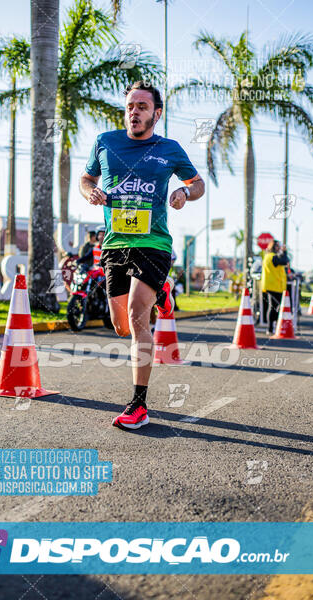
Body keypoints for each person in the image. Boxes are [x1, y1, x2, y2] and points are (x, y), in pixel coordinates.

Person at [79, 81, 205, 430]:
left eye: (142, 107)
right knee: (120, 326)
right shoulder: (106, 142)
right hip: (115, 244)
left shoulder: (169, 148)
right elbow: (86, 177)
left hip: (154, 243)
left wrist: (183, 192)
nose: (134, 112)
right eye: (130, 106)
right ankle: (161, 294)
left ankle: (138, 404)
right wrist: (90, 191)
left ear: (156, 114)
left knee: (137, 318)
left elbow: (198, 183)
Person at [261, 240, 289, 335]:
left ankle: (273, 327)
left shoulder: (270, 256)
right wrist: (284, 251)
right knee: (274, 307)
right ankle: (270, 328)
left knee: (275, 307)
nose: (278, 248)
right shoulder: (272, 257)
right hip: (273, 286)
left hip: (275, 286)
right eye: (277, 246)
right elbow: (285, 261)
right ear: (273, 247)